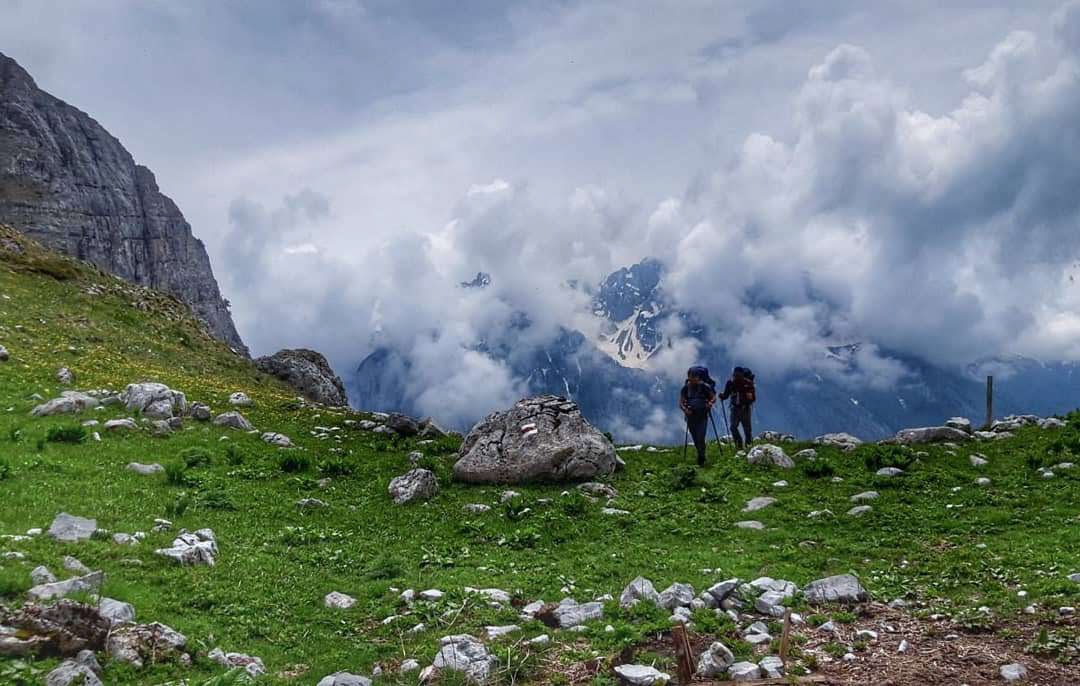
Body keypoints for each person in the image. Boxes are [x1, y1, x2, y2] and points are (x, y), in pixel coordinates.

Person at [679, 366, 716, 466]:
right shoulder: (685, 388)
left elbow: (713, 397)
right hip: (691, 416)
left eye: (695, 377)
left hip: (702, 415)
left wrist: (710, 403)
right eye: (692, 376)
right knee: (695, 437)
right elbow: (681, 402)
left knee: (700, 436)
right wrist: (685, 410)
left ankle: (701, 457)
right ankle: (700, 454)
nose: (694, 378)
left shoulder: (704, 386)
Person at [719, 366, 756, 449]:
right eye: (735, 376)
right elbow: (726, 394)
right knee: (734, 427)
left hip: (744, 408)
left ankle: (747, 445)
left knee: (746, 429)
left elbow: (753, 398)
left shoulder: (748, 383)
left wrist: (722, 396)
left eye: (738, 376)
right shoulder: (731, 383)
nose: (736, 377)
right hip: (735, 408)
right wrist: (722, 396)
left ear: (742, 375)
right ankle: (740, 445)